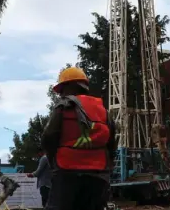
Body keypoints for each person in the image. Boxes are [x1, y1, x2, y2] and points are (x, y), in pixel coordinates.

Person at [42, 67, 117, 210]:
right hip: (97, 175)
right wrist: (108, 165)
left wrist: (53, 162)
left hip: (67, 172)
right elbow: (112, 141)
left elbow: (49, 136)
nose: (61, 95)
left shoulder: (63, 106)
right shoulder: (103, 111)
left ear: (69, 87)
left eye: (62, 90)